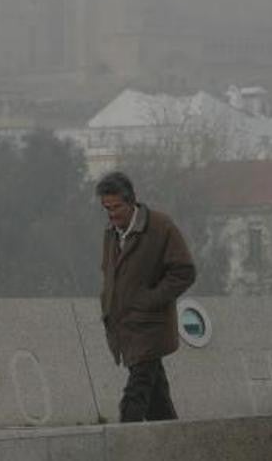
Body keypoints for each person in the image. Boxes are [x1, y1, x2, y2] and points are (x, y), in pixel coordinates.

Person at [96, 171, 196, 423]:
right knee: (157, 402)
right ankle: (173, 445)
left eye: (116, 207)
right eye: (106, 208)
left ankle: (124, 446)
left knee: (135, 396)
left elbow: (184, 272)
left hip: (151, 328)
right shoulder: (111, 233)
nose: (112, 214)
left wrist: (151, 300)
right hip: (124, 327)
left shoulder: (161, 227)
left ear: (131, 202)